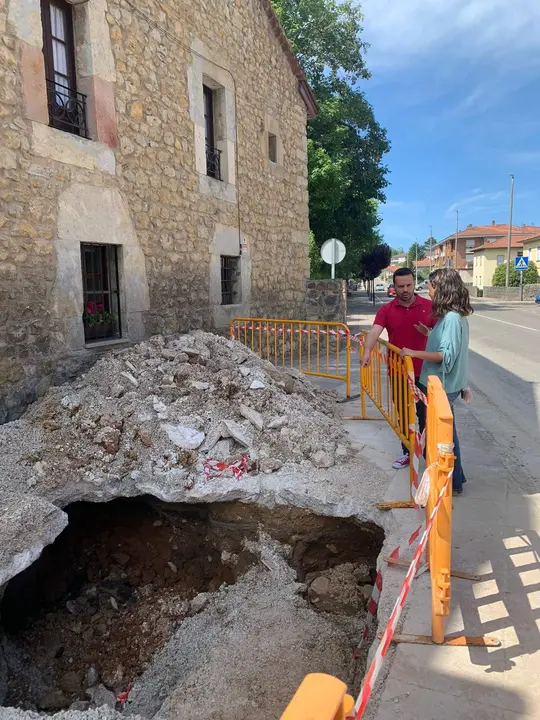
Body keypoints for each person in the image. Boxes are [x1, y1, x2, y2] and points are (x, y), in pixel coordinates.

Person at [400, 268, 473, 495]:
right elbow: (448, 346)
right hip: (443, 384)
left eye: (430, 286)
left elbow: (446, 356)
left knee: (445, 436)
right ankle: (455, 477)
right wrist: (428, 332)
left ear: (441, 289)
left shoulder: (451, 319)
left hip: (441, 385)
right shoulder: (451, 317)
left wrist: (414, 352)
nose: (428, 291)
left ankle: (452, 482)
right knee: (447, 434)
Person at [361, 267, 437, 469]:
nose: (405, 290)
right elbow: (375, 331)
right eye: (401, 286)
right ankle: (407, 452)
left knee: (426, 415)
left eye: (409, 285)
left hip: (425, 373)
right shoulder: (387, 310)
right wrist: (367, 351)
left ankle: (429, 455)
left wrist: (429, 333)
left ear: (414, 284)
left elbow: (441, 335)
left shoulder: (429, 306)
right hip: (398, 372)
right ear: (394, 287)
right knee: (403, 414)